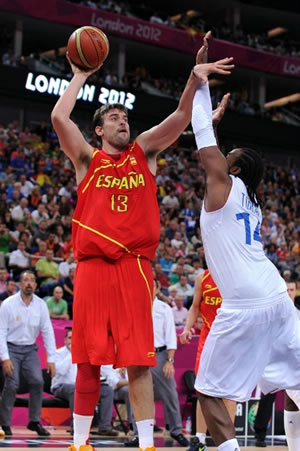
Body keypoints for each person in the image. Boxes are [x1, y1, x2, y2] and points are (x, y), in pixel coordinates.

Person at [51, 30, 233, 451]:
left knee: (138, 360)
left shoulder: (144, 151)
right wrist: (80, 74)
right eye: (114, 119)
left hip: (136, 267)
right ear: (98, 130)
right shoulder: (86, 159)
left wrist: (194, 78)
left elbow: (180, 117)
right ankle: (80, 444)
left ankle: (147, 444)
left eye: (125, 118)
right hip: (95, 266)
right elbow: (61, 119)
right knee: (87, 359)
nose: (123, 122)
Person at [191, 32, 300, 451]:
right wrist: (212, 124)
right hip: (277, 295)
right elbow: (205, 144)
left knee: (208, 389)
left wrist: (199, 80)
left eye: (227, 152)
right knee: (294, 379)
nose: (222, 152)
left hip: (246, 302)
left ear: (232, 164)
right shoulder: (247, 198)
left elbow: (202, 141)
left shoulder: (223, 182)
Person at [125, 279, 189, 447]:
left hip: (159, 354)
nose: (149, 288)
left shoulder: (164, 308)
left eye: (153, 286)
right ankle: (139, 434)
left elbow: (170, 335)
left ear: (158, 288)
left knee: (170, 393)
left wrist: (170, 360)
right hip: (138, 354)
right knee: (137, 393)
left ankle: (176, 430)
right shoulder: (134, 305)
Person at [181, 270, 236, 451]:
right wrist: (188, 328)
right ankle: (200, 440)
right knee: (203, 389)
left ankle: (228, 440)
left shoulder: (236, 276)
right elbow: (195, 306)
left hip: (230, 338)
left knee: (228, 393)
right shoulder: (202, 278)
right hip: (207, 337)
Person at [0, 270, 56, 437]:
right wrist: (5, 358)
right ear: (20, 284)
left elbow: (48, 331)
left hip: (30, 348)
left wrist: (52, 358)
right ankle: (5, 423)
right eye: (26, 280)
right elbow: (1, 331)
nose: (29, 283)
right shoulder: (8, 304)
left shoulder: (41, 305)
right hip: (11, 348)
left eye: (32, 280)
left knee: (38, 381)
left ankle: (34, 421)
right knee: (12, 383)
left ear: (36, 285)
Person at [51, 328, 119, 436]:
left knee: (107, 391)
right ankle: (77, 428)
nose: (72, 341)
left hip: (82, 386)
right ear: (65, 340)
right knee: (75, 389)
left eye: (75, 338)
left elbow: (106, 370)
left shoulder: (88, 352)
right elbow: (60, 371)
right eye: (70, 338)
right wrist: (72, 352)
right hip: (61, 386)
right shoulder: (58, 353)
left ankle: (104, 427)